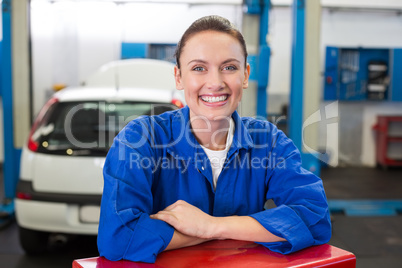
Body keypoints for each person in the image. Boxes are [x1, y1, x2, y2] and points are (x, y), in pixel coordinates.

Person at [97, 15, 331, 263]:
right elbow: (118, 236)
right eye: (199, 68)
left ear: (245, 75)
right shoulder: (140, 140)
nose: (215, 83)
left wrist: (211, 226)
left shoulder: (269, 141)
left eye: (229, 67)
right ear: (178, 77)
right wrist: (243, 229)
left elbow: (314, 217)